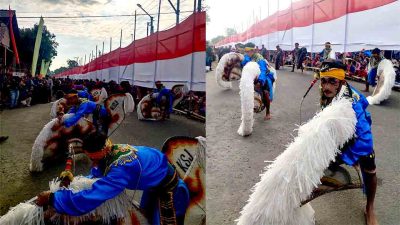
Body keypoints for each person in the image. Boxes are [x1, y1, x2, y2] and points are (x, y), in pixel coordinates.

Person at [35, 132, 190, 225]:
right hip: (154, 176)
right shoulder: (110, 148)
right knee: (147, 214)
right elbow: (97, 174)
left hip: (168, 187)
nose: (93, 163)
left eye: (94, 159)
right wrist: (75, 180)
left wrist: (53, 198)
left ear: (102, 150)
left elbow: (93, 197)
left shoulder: (120, 169)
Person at [319, 60, 378, 225]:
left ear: (342, 82)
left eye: (333, 81)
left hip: (357, 134)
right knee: (326, 158)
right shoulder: (325, 91)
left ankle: (370, 207)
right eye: (323, 81)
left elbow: (364, 138)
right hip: (339, 132)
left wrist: (363, 154)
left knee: (370, 167)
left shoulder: (352, 103)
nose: (326, 87)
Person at [241, 46, 275, 120]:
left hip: (263, 76)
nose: (247, 52)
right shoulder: (247, 57)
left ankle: (268, 112)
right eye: (246, 51)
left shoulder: (259, 58)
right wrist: (245, 60)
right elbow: (243, 65)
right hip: (252, 77)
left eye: (248, 51)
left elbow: (263, 70)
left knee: (265, 93)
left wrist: (260, 81)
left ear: (253, 51)